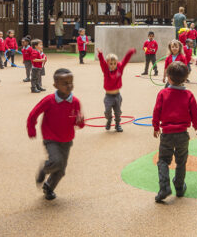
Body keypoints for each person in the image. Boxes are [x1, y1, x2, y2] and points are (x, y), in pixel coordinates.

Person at [28, 68, 85, 201]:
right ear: (56, 85)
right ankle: (44, 170)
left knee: (61, 170)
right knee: (56, 161)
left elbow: (79, 124)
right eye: (65, 83)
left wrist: (81, 121)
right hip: (51, 137)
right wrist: (31, 128)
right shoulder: (49, 100)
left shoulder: (75, 102)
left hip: (67, 139)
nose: (69, 86)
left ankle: (48, 188)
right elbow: (34, 114)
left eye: (71, 82)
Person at [151, 61, 197, 203]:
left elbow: (156, 111)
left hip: (167, 134)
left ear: (168, 77)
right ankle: (179, 187)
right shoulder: (188, 94)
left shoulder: (163, 93)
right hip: (182, 135)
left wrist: (156, 126)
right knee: (181, 162)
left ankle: (164, 187)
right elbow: (195, 112)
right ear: (185, 78)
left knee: (163, 161)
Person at [98, 48, 134, 132]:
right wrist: (100, 54)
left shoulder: (119, 68)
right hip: (108, 96)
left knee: (118, 112)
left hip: (117, 96)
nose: (113, 65)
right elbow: (102, 63)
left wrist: (130, 52)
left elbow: (125, 60)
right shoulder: (106, 71)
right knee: (107, 111)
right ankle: (109, 120)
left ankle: (117, 125)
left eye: (115, 63)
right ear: (108, 64)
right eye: (111, 64)